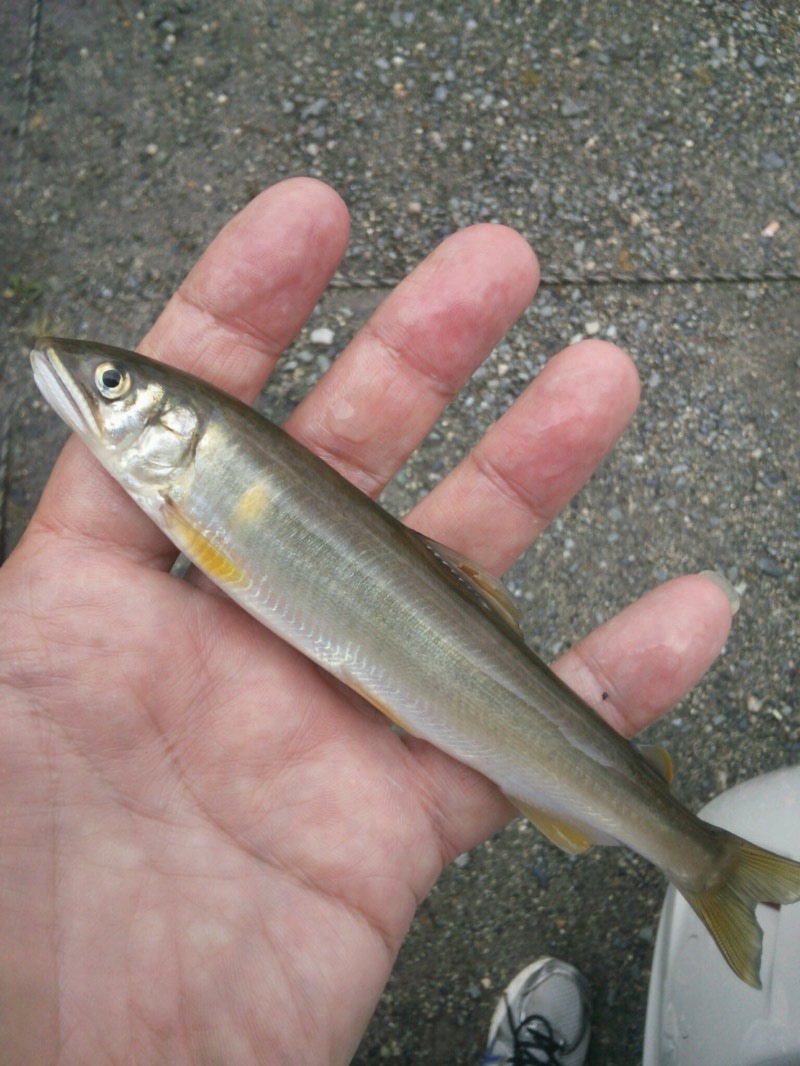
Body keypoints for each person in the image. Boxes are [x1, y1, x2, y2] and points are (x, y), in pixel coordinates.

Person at [0, 177, 735, 1065]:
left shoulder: (187, 480)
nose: (90, 383)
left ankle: (705, 859)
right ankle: (699, 859)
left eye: (112, 386)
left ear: (173, 434)